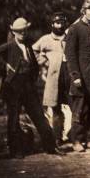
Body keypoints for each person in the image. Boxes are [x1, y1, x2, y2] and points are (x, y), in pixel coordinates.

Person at [0, 17, 63, 158]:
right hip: (13, 87)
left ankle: (50, 147)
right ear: (14, 32)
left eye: (24, 31)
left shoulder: (28, 44)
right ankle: (16, 150)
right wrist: (4, 65)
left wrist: (33, 77)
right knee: (13, 120)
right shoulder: (8, 46)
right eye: (19, 31)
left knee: (39, 116)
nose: (22, 33)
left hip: (28, 86)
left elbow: (34, 64)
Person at [65, 0, 90, 153]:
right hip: (81, 76)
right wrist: (75, 76)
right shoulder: (74, 29)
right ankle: (76, 140)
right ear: (84, 11)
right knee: (79, 110)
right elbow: (70, 55)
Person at [33, 12, 71, 145]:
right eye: (57, 23)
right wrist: (44, 62)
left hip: (70, 77)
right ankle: (57, 137)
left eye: (62, 23)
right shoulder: (45, 40)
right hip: (54, 78)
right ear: (52, 24)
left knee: (76, 106)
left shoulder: (70, 38)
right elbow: (34, 51)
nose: (60, 26)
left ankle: (76, 136)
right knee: (55, 108)